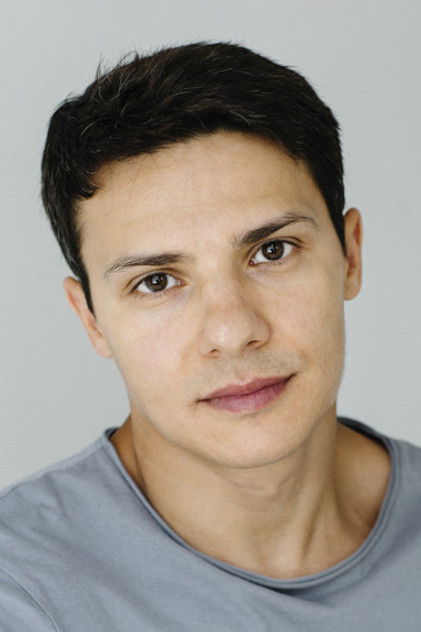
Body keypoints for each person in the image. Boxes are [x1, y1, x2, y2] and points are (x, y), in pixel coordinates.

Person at [0, 40, 419, 631]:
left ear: (350, 256)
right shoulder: (20, 592)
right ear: (90, 317)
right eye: (157, 281)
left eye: (272, 251)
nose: (233, 330)